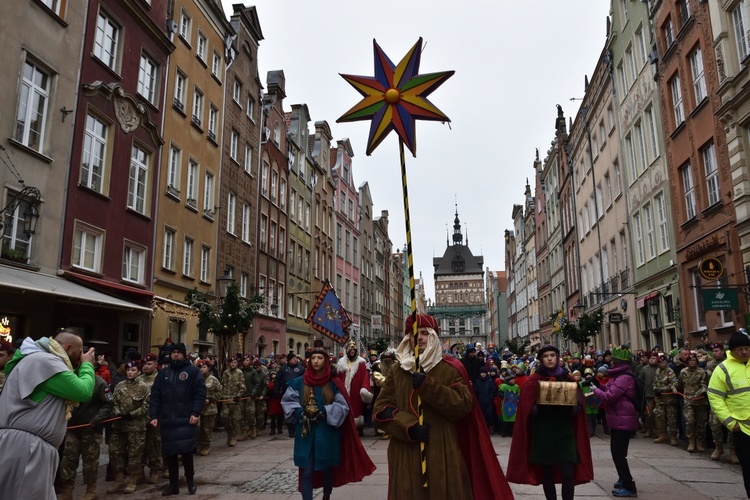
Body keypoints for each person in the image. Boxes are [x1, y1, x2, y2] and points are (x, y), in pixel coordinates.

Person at [374, 313, 513, 499]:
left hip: (442, 449)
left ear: (432, 336)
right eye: (414, 333)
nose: (419, 337)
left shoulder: (450, 368)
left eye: (424, 332)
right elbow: (381, 410)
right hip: (405, 451)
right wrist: (408, 427)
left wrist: (429, 387)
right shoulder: (397, 371)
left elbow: (463, 406)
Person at [0, 330, 95, 499]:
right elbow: (83, 391)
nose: (80, 357)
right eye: (79, 352)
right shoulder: (45, 361)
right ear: (68, 347)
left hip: (23, 444)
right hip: (28, 448)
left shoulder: (35, 359)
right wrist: (87, 365)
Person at [282, 341, 375, 500]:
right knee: (307, 470)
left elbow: (342, 405)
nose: (316, 361)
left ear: (325, 360)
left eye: (319, 358)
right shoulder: (299, 383)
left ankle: (326, 496)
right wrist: (299, 414)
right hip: (306, 433)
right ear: (309, 361)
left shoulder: (333, 383)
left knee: (326, 469)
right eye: (313, 358)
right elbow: (289, 401)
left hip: (327, 433)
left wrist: (325, 412)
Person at [507, 344, 593, 500]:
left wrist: (569, 406)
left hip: (565, 432)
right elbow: (527, 408)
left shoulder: (568, 379)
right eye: (546, 356)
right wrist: (542, 407)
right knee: (547, 474)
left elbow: (578, 406)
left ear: (558, 358)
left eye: (552, 355)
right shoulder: (533, 381)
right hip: (543, 433)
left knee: (568, 472)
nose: (549, 359)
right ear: (541, 360)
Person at [149, 342, 206, 496]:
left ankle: (190, 482)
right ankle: (173, 485)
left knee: (187, 453)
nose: (175, 355)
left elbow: (200, 394)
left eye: (178, 352)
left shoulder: (192, 372)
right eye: (173, 352)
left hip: (186, 419)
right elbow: (155, 396)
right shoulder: (163, 373)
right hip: (168, 420)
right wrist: (154, 415)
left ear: (183, 354)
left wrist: (195, 412)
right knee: (170, 454)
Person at [584, 346, 638, 497]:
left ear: (618, 364)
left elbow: (609, 396)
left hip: (623, 419)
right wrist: (596, 382)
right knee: (617, 452)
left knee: (618, 454)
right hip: (618, 419)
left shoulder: (624, 378)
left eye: (613, 362)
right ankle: (622, 478)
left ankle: (629, 485)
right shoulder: (618, 377)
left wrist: (594, 389)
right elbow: (607, 389)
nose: (610, 364)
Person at [58, 370, 113, 500]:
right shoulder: (71, 379)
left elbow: (109, 404)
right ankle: (67, 491)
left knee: (90, 462)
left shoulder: (99, 383)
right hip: (72, 428)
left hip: (91, 430)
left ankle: (91, 490)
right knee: (68, 461)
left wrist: (96, 420)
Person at [708, 330, 750, 497]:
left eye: (747, 348)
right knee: (748, 466)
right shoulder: (723, 369)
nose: (744, 352)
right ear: (731, 351)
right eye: (740, 349)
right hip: (742, 428)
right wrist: (731, 423)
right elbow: (715, 397)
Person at [107, 360, 149, 494]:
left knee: (134, 454)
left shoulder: (143, 387)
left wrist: (132, 414)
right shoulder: (120, 385)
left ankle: (132, 480)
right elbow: (113, 402)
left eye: (133, 370)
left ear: (139, 372)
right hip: (119, 426)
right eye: (128, 370)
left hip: (136, 427)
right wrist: (117, 412)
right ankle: (118, 479)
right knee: (115, 452)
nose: (130, 372)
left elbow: (146, 406)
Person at [706, 342, 738, 462]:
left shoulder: (730, 363)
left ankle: (732, 451)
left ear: (723, 351)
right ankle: (718, 447)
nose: (714, 353)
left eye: (717, 351)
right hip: (716, 398)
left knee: (732, 426)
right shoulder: (710, 365)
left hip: (730, 398)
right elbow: (707, 381)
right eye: (713, 351)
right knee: (715, 425)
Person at [336, 340, 373, 436]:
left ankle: (358, 428)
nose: (352, 351)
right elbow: (339, 377)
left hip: (356, 391)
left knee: (357, 409)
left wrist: (364, 388)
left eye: (353, 349)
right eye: (350, 349)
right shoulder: (341, 363)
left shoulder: (361, 363)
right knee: (345, 408)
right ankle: (347, 428)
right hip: (344, 391)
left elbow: (365, 376)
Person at [137, 353, 162, 483]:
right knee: (139, 445)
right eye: (144, 364)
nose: (145, 366)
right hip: (139, 419)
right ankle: (139, 472)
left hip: (155, 417)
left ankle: (154, 470)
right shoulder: (138, 379)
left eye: (149, 364)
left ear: (155, 364)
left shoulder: (161, 378)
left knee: (154, 444)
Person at [676, 352, 708, 453]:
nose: (692, 362)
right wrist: (673, 387)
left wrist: (698, 394)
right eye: (690, 360)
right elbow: (679, 383)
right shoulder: (683, 372)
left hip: (700, 401)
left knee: (700, 422)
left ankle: (699, 442)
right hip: (688, 401)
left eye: (694, 360)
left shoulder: (702, 372)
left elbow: (705, 385)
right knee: (689, 421)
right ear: (687, 361)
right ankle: (691, 441)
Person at [652, 353, 679, 445]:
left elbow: (675, 383)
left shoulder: (670, 371)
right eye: (660, 362)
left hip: (669, 399)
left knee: (672, 418)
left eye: (663, 362)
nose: (661, 364)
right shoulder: (657, 371)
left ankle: (673, 437)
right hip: (660, 399)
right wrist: (655, 389)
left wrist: (664, 389)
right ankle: (662, 434)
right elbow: (655, 382)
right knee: (660, 417)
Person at [196, 359, 221, 455]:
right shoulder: (197, 379)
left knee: (207, 429)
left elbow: (219, 394)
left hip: (209, 409)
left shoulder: (213, 380)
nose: (201, 369)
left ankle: (206, 446)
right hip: (198, 409)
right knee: (198, 429)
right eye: (200, 367)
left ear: (209, 368)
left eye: (204, 367)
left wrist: (210, 399)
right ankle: (199, 445)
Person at [278, 352, 305, 437]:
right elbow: (277, 380)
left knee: (297, 410)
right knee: (289, 411)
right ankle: (290, 431)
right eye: (293, 358)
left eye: (295, 358)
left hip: (298, 393)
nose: (295, 359)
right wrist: (277, 391)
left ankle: (297, 429)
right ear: (289, 360)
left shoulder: (301, 368)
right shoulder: (283, 369)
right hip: (286, 392)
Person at [221, 355, 245, 446]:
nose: (233, 364)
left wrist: (238, 395)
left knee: (235, 419)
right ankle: (229, 433)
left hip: (235, 400)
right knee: (224, 417)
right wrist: (222, 396)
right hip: (226, 400)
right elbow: (223, 385)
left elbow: (242, 387)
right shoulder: (225, 373)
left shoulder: (239, 372)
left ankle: (234, 436)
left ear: (237, 363)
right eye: (231, 362)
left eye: (234, 362)